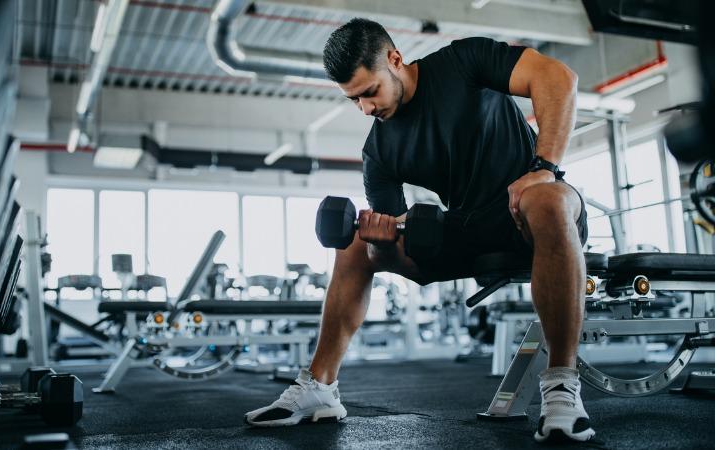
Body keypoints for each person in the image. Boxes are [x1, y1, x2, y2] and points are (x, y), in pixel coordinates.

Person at [245, 18, 593, 443]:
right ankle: (320, 387)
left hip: (531, 214)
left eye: (369, 92)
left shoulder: (464, 61)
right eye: (354, 101)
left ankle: (560, 386)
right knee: (356, 242)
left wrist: (543, 170)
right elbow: (394, 248)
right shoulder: (380, 151)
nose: (366, 109)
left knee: (549, 197)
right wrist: (380, 242)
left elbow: (558, 77)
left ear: (395, 59)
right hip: (468, 231)